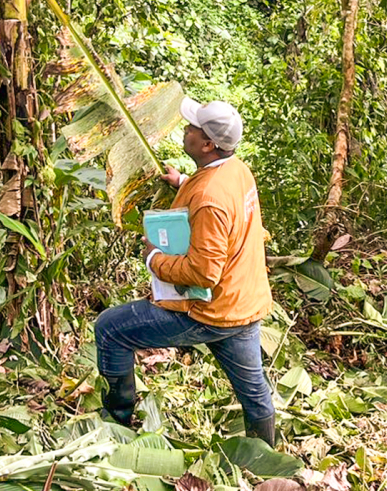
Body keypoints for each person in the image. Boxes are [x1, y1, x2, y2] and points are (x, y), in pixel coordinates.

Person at [94, 98, 276, 445]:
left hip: (210, 311)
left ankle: (115, 422)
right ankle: (268, 459)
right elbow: (217, 199)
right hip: (243, 304)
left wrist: (154, 260)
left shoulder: (209, 197)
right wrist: (182, 182)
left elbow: (204, 272)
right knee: (254, 393)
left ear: (208, 144)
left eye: (193, 129)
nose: (186, 131)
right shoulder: (235, 170)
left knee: (110, 330)